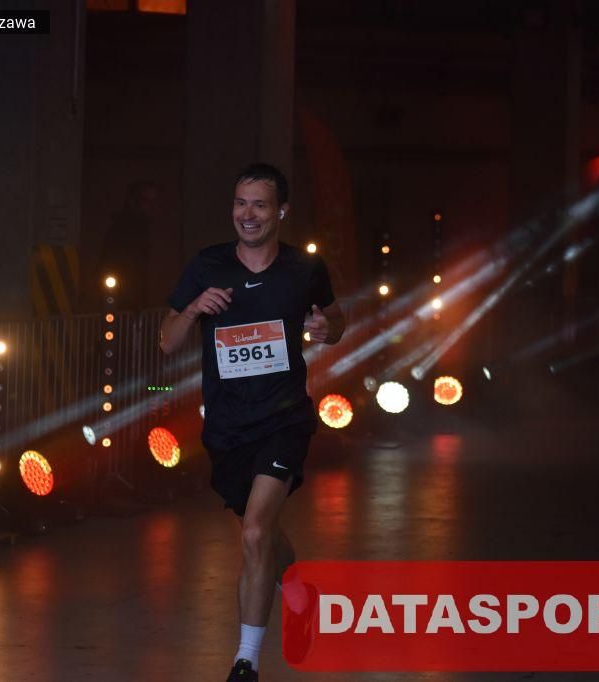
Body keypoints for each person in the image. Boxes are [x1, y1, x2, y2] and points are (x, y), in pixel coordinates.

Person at [159, 163, 346, 681]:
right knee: (258, 533)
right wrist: (194, 308)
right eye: (241, 203)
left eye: (260, 205)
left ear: (281, 211)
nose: (248, 214)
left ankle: (246, 661)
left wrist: (327, 329)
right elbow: (167, 341)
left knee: (256, 532)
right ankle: (298, 589)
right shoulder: (208, 265)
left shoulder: (303, 269)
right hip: (226, 428)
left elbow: (337, 319)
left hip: (284, 419)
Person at [96, 182, 159, 311]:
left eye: (154, 202)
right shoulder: (121, 228)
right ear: (134, 201)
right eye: (146, 201)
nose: (151, 207)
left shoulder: (146, 229)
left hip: (138, 293)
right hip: (122, 291)